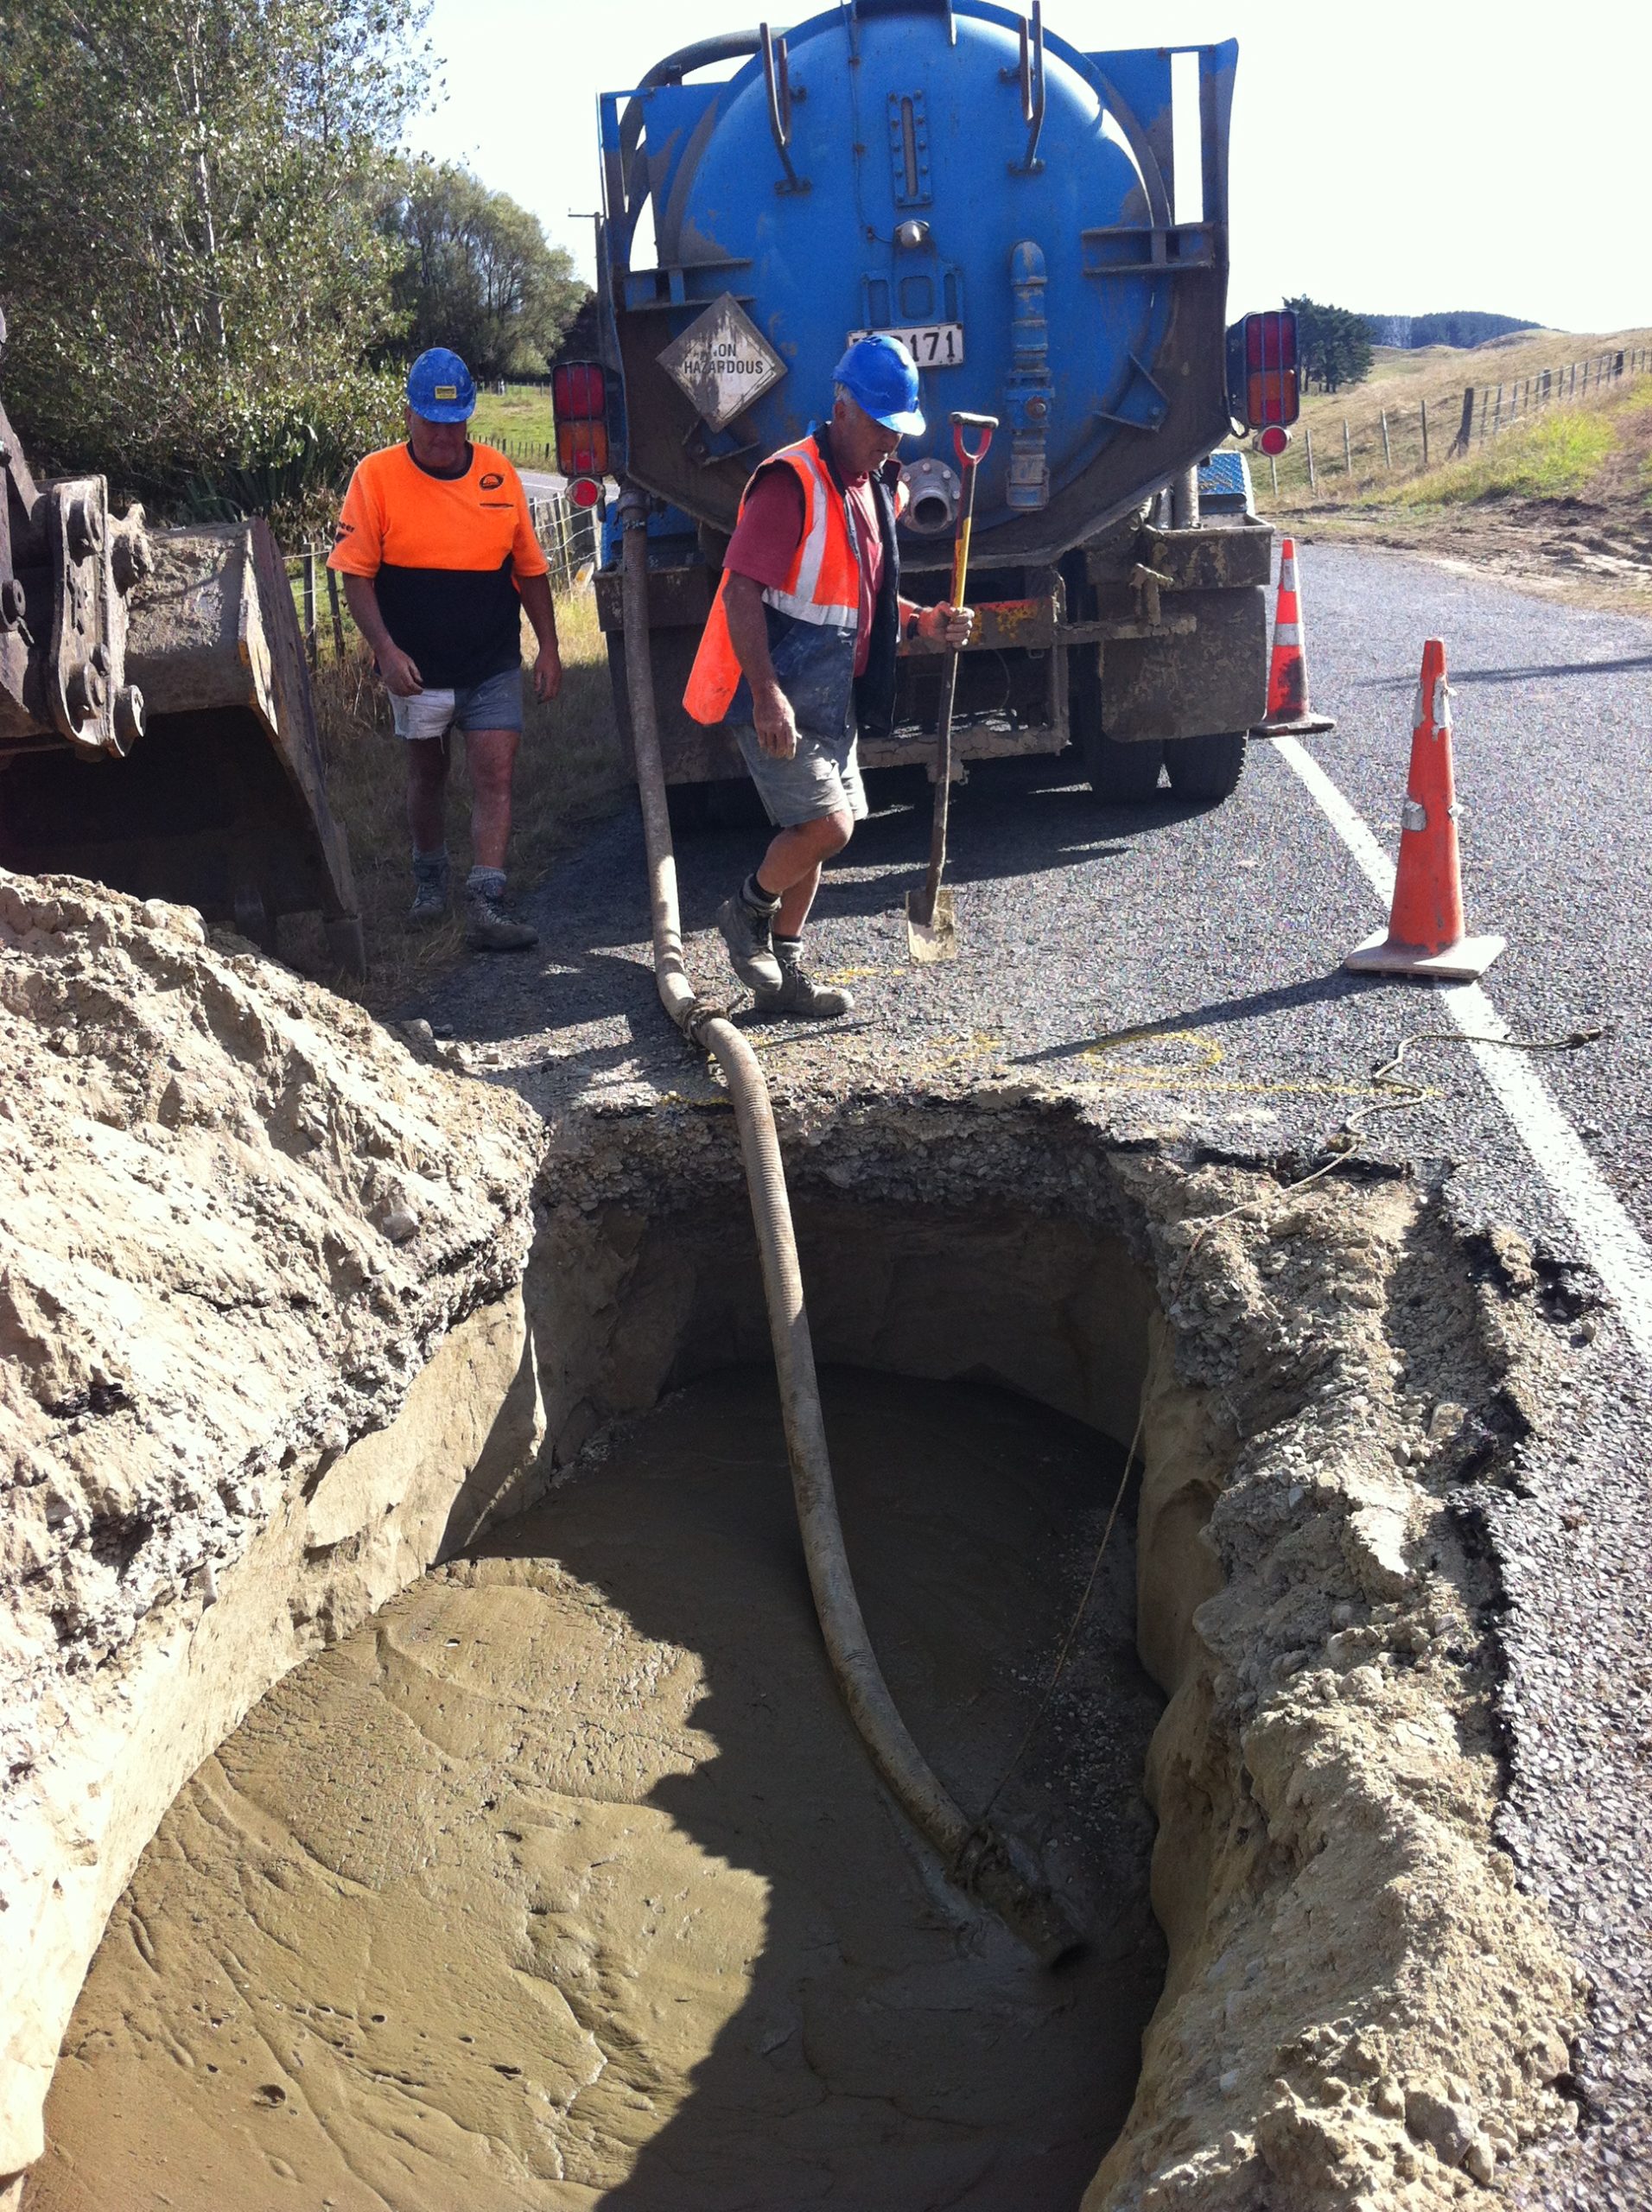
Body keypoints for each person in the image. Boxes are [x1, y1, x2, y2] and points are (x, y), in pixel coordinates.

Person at [683, 334, 974, 1017]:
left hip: (828, 697)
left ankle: (785, 978)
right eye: (880, 425)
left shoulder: (871, 490)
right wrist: (765, 693)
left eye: (898, 428)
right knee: (829, 825)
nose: (889, 441)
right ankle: (745, 913)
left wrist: (924, 621)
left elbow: (860, 597)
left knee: (814, 842)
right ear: (841, 410)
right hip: (775, 691)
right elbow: (740, 593)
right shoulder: (791, 483)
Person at [328, 346, 562, 950]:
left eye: (454, 422)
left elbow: (530, 569)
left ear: (469, 418)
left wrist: (549, 649)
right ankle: (429, 882)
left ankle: (487, 901)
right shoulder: (375, 477)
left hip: (491, 662)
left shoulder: (499, 475)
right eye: (431, 422)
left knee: (495, 772)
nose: (441, 435)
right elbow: (355, 574)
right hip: (417, 670)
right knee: (427, 774)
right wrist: (383, 649)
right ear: (408, 415)